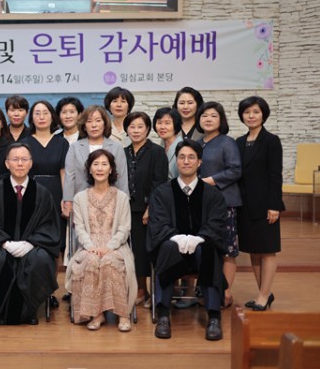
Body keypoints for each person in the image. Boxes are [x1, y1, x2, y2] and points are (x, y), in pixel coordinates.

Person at [147, 139, 227, 341]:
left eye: (191, 157)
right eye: (181, 157)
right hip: (173, 251)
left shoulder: (212, 194)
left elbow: (217, 223)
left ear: (199, 162)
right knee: (167, 247)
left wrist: (199, 238)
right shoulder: (162, 192)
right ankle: (163, 315)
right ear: (176, 161)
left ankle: (214, 317)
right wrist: (177, 237)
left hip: (201, 251)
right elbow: (158, 223)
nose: (186, 161)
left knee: (208, 249)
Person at [0, 143, 60, 325]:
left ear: (31, 163)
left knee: (40, 259)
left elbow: (49, 226)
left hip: (32, 247)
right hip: (0, 246)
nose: (20, 164)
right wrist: (5, 243)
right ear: (7, 164)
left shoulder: (43, 194)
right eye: (15, 159)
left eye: (24, 159)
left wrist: (30, 243)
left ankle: (29, 310)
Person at [68, 149, 137, 331]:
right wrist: (90, 246)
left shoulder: (121, 197)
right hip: (88, 247)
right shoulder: (80, 198)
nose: (100, 168)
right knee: (91, 260)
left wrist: (109, 247)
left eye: (104, 164)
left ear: (111, 169)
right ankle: (96, 314)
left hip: (116, 247)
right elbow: (79, 228)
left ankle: (123, 314)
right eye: (96, 164)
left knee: (108, 261)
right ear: (90, 169)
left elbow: (124, 228)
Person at [236, 96, 284, 311]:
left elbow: (275, 175)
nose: (251, 116)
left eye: (256, 112)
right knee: (253, 251)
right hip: (244, 205)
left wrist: (275, 205)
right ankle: (263, 293)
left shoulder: (271, 141)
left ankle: (264, 296)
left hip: (265, 206)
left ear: (263, 114)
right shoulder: (239, 142)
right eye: (247, 112)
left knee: (267, 251)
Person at [21, 100, 69, 308]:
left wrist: (66, 199)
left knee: (55, 245)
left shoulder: (62, 142)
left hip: (55, 194)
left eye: (45, 113)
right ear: (31, 117)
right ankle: (31, 287)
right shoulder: (25, 142)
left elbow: (64, 173)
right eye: (37, 113)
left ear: (52, 116)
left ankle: (49, 290)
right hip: (31, 194)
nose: (41, 117)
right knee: (32, 242)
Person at [196, 101, 242, 309]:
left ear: (221, 120)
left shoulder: (227, 142)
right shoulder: (198, 143)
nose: (208, 119)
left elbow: (235, 170)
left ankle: (226, 291)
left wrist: (209, 181)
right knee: (207, 248)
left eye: (213, 116)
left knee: (227, 249)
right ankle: (208, 289)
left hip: (225, 204)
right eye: (204, 115)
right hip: (202, 204)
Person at [123, 111, 168, 308]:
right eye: (132, 127)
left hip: (148, 209)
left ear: (148, 129)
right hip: (127, 209)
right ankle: (141, 290)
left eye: (140, 126)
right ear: (126, 129)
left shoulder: (156, 152)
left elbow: (159, 182)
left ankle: (152, 291)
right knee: (134, 251)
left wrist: (150, 207)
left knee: (147, 251)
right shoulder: (123, 152)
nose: (136, 130)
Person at [62, 105, 129, 220]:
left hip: (110, 204)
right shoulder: (75, 147)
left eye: (98, 120)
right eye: (89, 121)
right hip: (81, 203)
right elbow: (70, 176)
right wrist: (68, 201)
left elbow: (121, 177)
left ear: (105, 123)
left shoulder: (116, 147)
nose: (94, 125)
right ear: (84, 125)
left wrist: (124, 204)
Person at [153, 107, 184, 179]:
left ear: (175, 125)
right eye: (159, 123)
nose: (162, 127)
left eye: (167, 123)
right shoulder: (160, 147)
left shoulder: (183, 147)